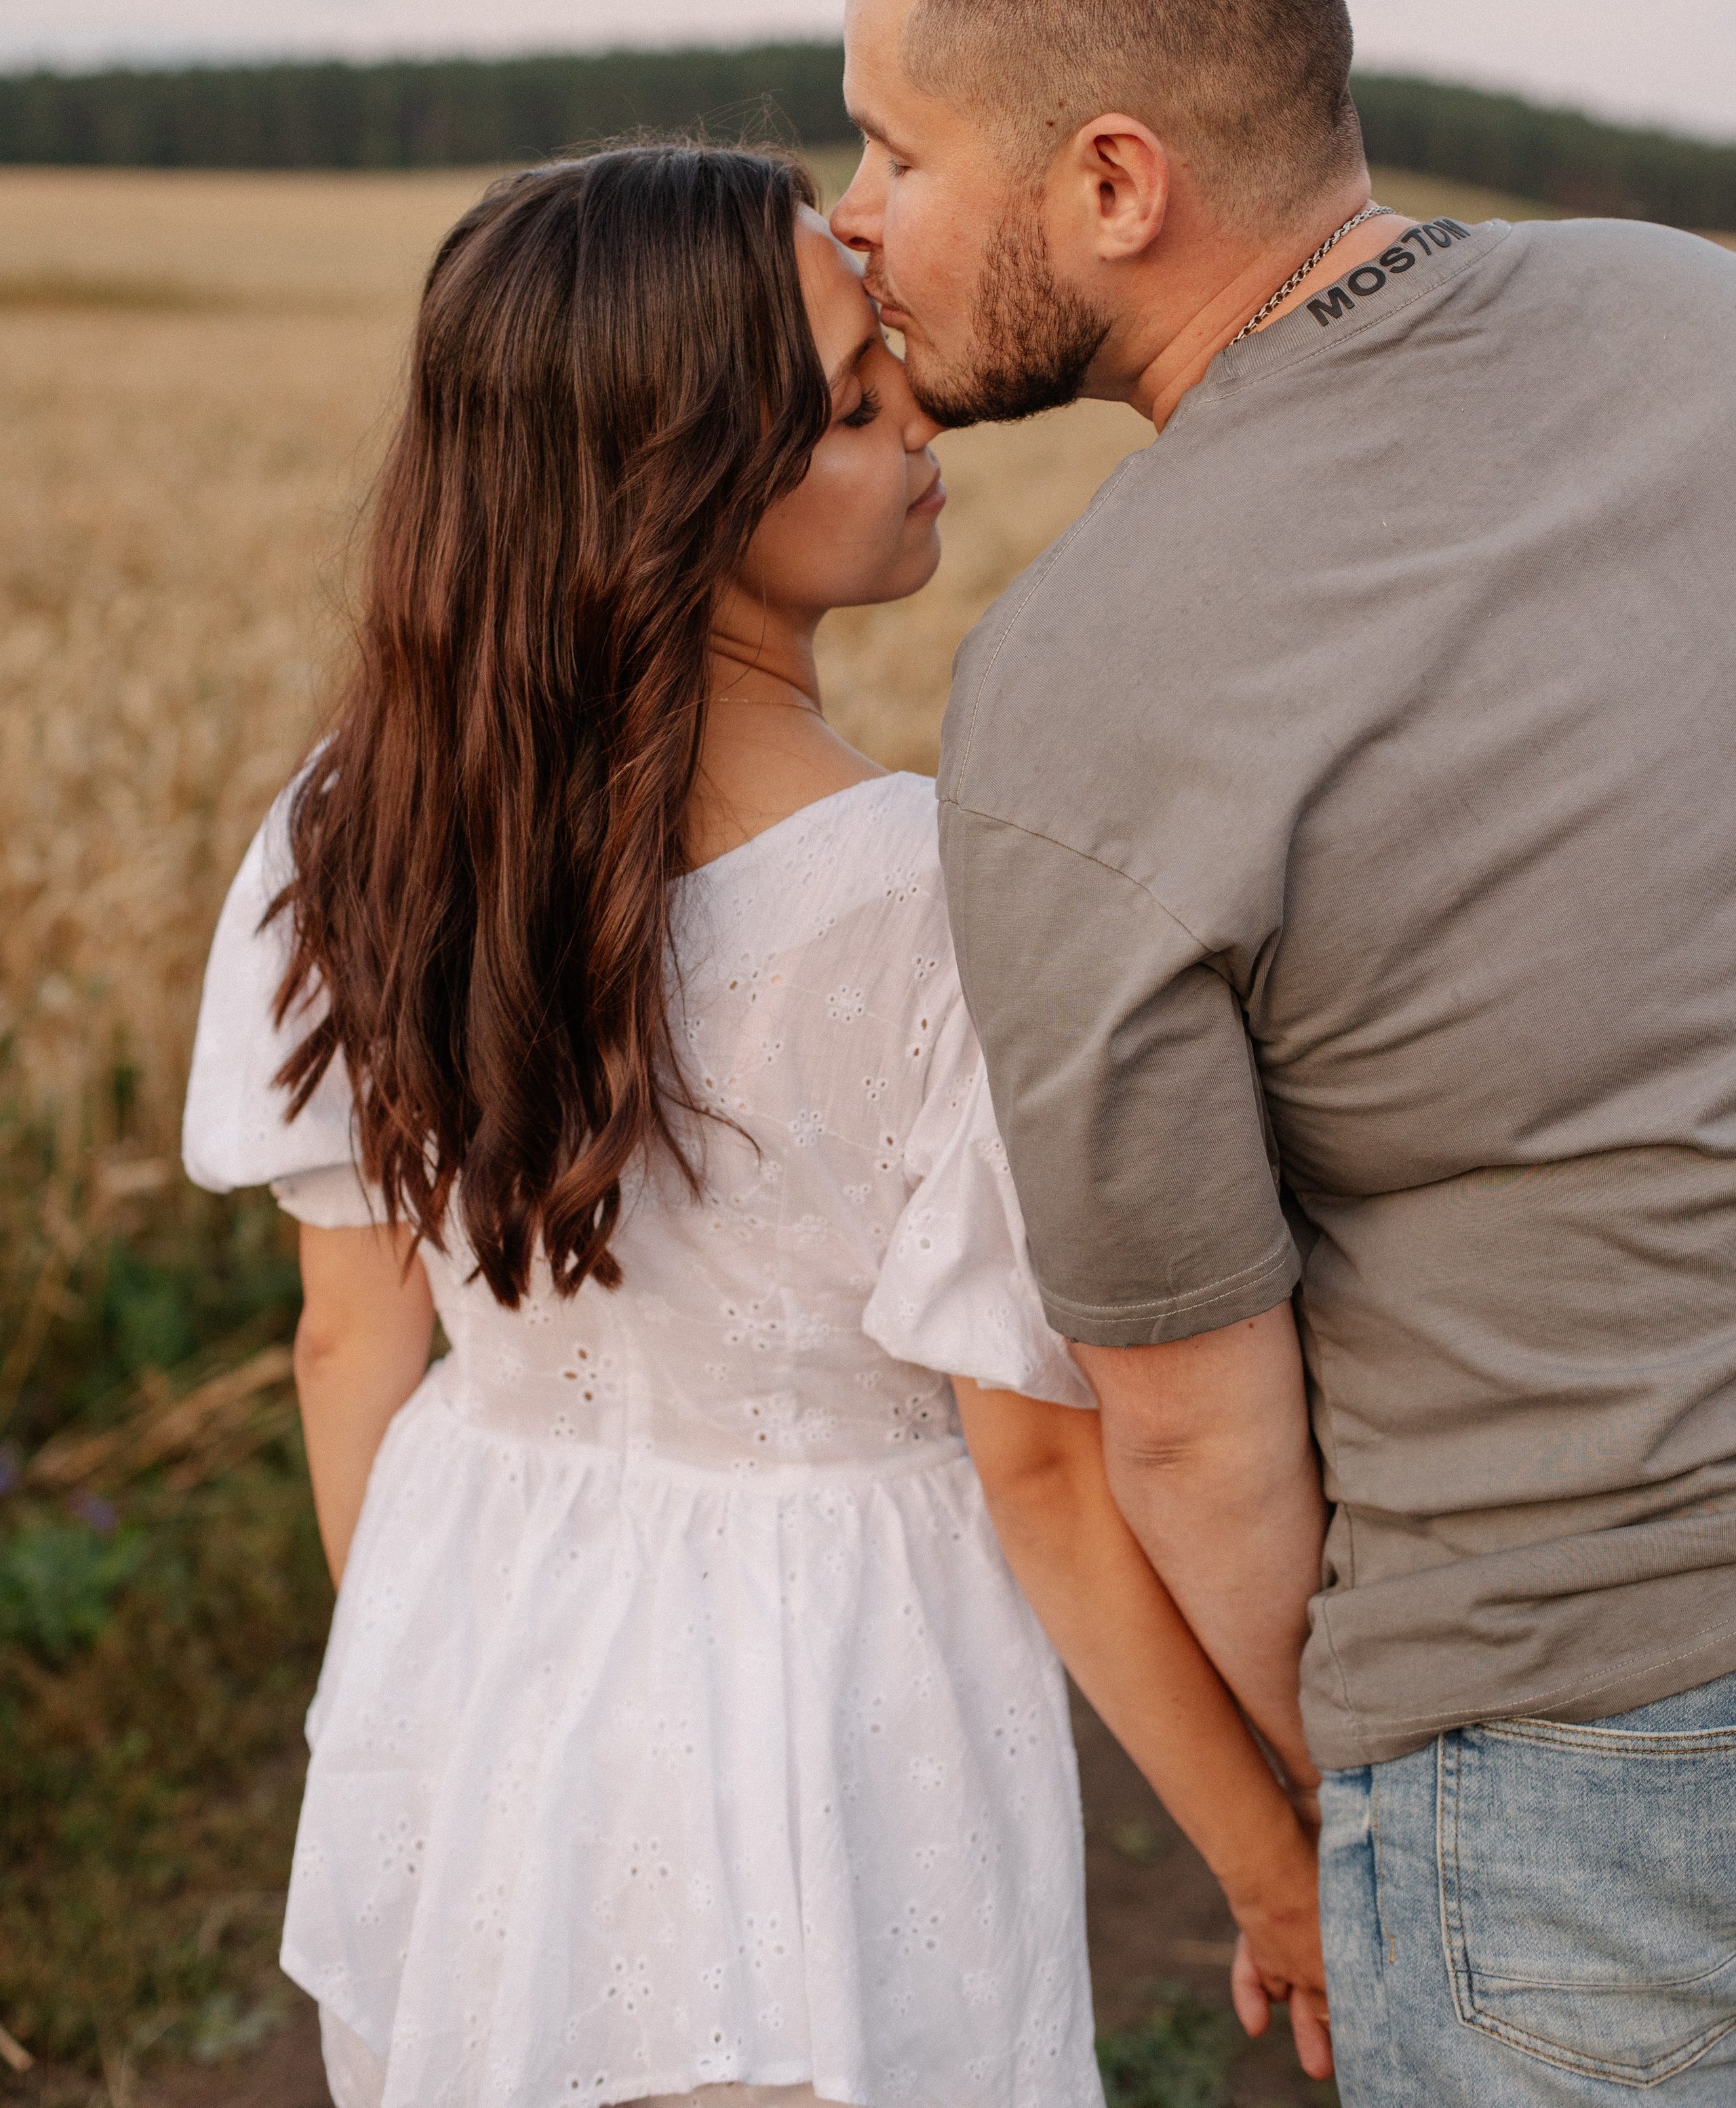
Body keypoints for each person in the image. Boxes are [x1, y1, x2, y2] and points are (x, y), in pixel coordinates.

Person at [180, 146, 1324, 2108]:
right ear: (677, 482)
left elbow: (344, 1338)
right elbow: (1045, 1474)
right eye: (855, 409)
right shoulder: (927, 891)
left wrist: (443, 1709)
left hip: (462, 1662)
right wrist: (1272, 1866)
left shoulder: (342, 825)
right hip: (829, 1718)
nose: (922, 432)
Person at [828, 0, 1736, 2104]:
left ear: (1114, 184)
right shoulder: (1696, 310)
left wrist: (1331, 1817)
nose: (858, 230)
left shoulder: (1078, 696)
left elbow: (1197, 1446)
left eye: (897, 153)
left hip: (1573, 1765)